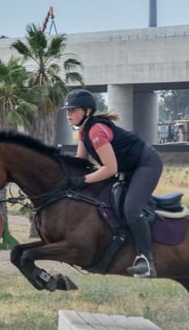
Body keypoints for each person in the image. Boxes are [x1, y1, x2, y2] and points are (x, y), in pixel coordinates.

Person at [62, 88, 163, 278]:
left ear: (88, 112)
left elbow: (110, 169)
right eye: (68, 111)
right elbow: (81, 161)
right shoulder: (84, 132)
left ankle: (146, 261)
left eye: (73, 110)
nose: (69, 115)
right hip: (130, 166)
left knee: (131, 208)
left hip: (146, 164)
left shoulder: (96, 131)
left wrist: (83, 179)